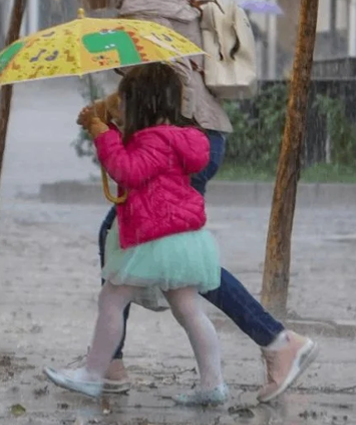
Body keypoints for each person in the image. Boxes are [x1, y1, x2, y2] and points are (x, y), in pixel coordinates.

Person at [68, 0, 318, 403]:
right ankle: (113, 362)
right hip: (197, 137)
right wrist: (113, 105)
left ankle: (277, 342)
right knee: (160, 252)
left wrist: (108, 115)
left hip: (184, 143)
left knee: (181, 260)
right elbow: (169, 79)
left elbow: (165, 86)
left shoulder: (142, 11)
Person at [45, 63, 228, 405]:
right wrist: (106, 124)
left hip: (156, 238)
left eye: (124, 102)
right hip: (185, 238)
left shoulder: (154, 140)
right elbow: (139, 160)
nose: (120, 107)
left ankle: (93, 374)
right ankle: (212, 382)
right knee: (189, 309)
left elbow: (127, 170)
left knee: (111, 299)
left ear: (141, 104)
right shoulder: (175, 137)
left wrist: (102, 132)